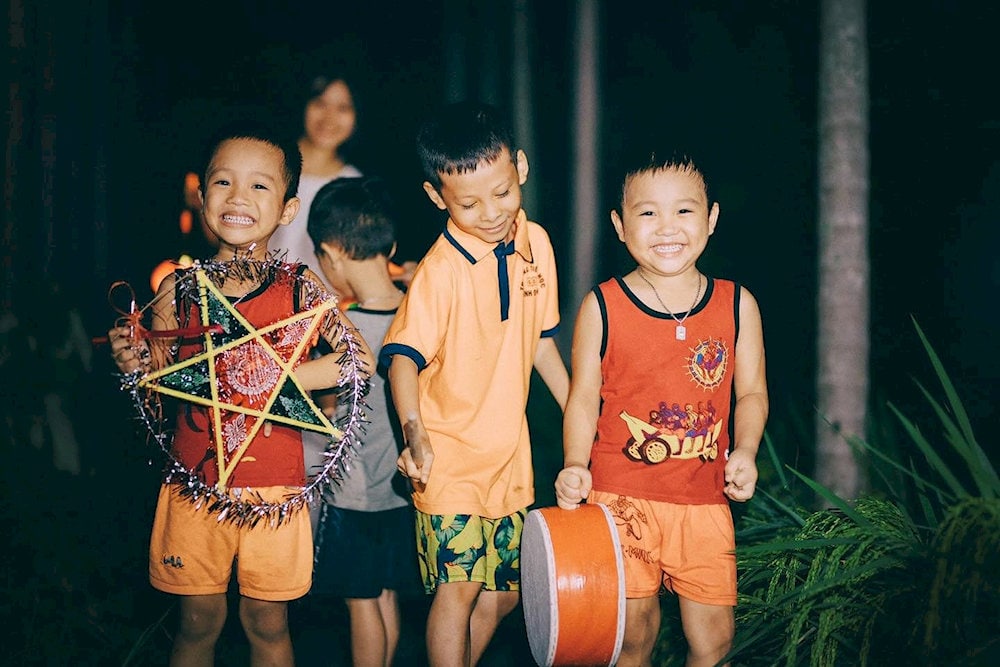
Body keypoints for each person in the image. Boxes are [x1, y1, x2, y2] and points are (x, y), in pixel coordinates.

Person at [108, 122, 374, 666]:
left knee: (267, 622)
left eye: (259, 186)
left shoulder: (299, 286)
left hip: (273, 493)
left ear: (287, 208)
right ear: (201, 195)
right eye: (223, 182)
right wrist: (133, 360)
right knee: (198, 621)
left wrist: (262, 376)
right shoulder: (176, 290)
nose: (238, 197)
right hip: (194, 485)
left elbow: (357, 360)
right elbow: (158, 385)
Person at [554, 152, 768, 667]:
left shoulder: (737, 304)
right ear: (620, 226)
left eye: (684, 212)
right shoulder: (602, 305)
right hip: (621, 497)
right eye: (648, 213)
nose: (667, 228)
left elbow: (752, 393)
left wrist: (746, 450)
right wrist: (575, 464)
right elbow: (583, 395)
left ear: (711, 219)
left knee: (714, 640)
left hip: (704, 501)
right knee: (634, 638)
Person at [382, 101, 569, 665]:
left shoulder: (535, 241)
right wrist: (415, 433)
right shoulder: (440, 271)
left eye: (502, 192)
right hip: (449, 459)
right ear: (438, 197)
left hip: (510, 460)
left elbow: (541, 342)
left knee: (506, 594)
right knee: (457, 588)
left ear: (521, 168)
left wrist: (582, 412)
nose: (490, 212)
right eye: (468, 203)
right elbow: (402, 360)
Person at [306, 176, 420, 666]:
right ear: (390, 245)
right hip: (399, 489)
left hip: (353, 493)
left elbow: (329, 404)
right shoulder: (417, 315)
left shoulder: (344, 330)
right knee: (387, 595)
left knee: (361, 604)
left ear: (330, 254)